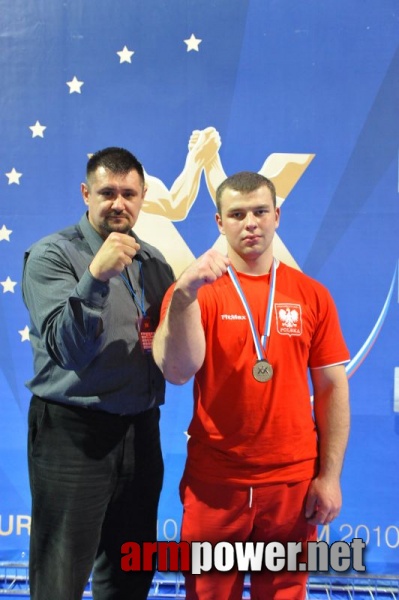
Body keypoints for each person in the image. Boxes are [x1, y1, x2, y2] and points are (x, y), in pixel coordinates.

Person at [152, 171, 350, 599]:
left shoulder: (311, 295)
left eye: (260, 211)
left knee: (284, 593)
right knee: (207, 594)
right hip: (216, 483)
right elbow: (177, 371)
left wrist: (330, 476)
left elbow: (333, 389)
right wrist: (184, 297)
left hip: (291, 483)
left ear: (277, 216)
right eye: (237, 214)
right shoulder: (195, 292)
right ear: (219, 223)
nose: (251, 223)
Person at [22, 147, 175, 600]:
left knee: (131, 570)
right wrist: (95, 276)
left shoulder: (154, 261)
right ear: (87, 194)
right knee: (60, 577)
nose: (118, 203)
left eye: (129, 193)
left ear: (143, 197)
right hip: (72, 431)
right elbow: (69, 350)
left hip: (141, 431)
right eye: (107, 192)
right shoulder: (53, 255)